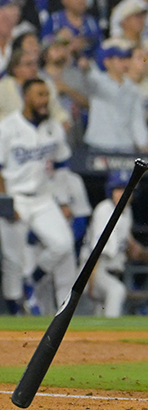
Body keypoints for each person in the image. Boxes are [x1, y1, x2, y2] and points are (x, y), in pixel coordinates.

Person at [0, 78, 77, 315]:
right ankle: (15, 313)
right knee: (12, 260)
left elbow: (62, 164)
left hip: (43, 198)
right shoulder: (7, 126)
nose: (44, 100)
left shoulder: (52, 127)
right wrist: (5, 204)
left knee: (63, 243)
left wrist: (63, 201)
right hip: (15, 197)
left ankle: (31, 279)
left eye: (46, 95)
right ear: (26, 97)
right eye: (39, 95)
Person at [81, 170, 142, 318]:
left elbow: (123, 233)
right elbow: (98, 250)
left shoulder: (127, 211)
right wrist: (91, 280)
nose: (123, 194)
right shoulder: (104, 210)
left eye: (127, 190)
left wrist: (132, 243)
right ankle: (112, 329)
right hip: (95, 269)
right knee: (117, 291)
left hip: (111, 272)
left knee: (100, 314)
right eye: (119, 189)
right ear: (111, 191)